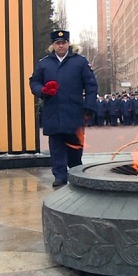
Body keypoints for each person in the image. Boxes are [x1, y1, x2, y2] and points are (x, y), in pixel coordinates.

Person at [29, 30, 98, 187]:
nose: (61, 45)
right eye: (57, 43)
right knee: (56, 146)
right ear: (52, 45)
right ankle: (59, 175)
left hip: (74, 111)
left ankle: (75, 172)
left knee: (75, 146)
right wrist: (42, 90)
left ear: (68, 43)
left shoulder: (80, 62)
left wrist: (89, 105)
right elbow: (34, 82)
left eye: (64, 42)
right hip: (53, 111)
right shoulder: (44, 63)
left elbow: (91, 85)